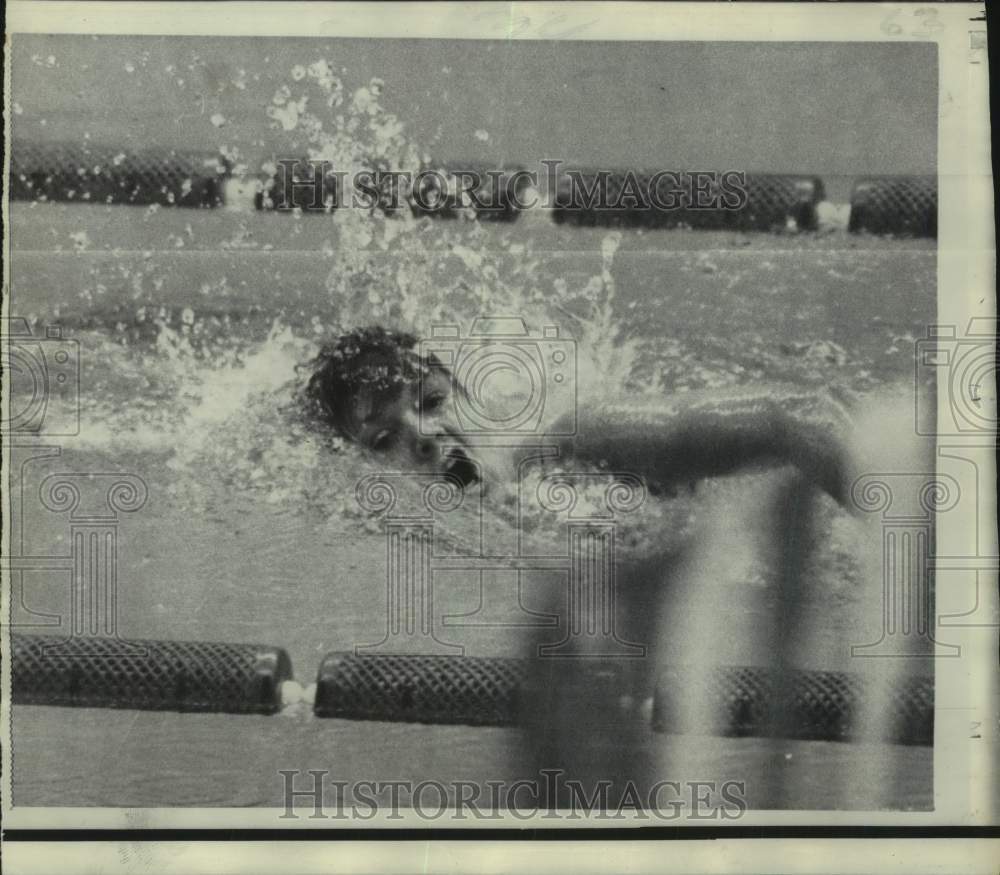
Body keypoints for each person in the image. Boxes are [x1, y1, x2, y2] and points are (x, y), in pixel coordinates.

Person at [305, 324, 860, 806]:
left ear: (466, 391)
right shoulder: (449, 541)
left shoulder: (583, 441)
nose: (424, 437)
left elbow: (799, 416)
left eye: (429, 402)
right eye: (384, 440)